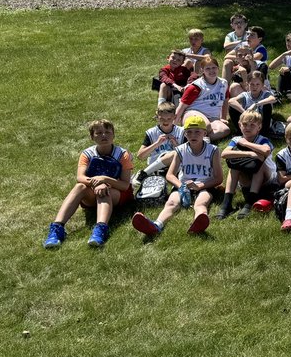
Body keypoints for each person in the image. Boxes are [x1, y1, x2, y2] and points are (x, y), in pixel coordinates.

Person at [43, 119, 133, 249]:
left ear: (113, 135)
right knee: (79, 186)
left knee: (104, 190)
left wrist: (105, 180)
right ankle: (57, 228)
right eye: (99, 133)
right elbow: (80, 177)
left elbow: (125, 185)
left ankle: (100, 229)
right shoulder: (87, 154)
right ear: (92, 137)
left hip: (119, 194)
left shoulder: (122, 154)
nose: (104, 136)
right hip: (93, 190)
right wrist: (97, 183)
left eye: (107, 132)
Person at [133, 114, 223, 237]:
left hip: (204, 184)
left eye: (197, 132)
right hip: (183, 184)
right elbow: (170, 175)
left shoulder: (213, 150)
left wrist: (200, 185)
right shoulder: (180, 150)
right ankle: (156, 225)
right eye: (189, 132)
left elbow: (218, 178)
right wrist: (181, 186)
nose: (193, 135)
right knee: (171, 203)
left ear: (204, 133)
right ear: (185, 134)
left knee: (201, 203)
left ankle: (199, 221)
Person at [216, 109, 275, 219]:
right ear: (239, 125)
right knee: (233, 167)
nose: (248, 128)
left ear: (259, 127)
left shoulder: (262, 140)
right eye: (245, 124)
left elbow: (266, 151)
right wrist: (249, 154)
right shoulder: (237, 139)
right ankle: (226, 204)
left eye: (252, 125)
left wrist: (246, 144)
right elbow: (224, 153)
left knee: (260, 165)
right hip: (246, 179)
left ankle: (249, 203)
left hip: (266, 180)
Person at [176, 54, 231, 141]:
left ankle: (197, 140)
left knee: (225, 130)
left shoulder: (224, 83)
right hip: (193, 113)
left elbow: (225, 100)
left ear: (218, 68)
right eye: (208, 68)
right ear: (202, 70)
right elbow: (181, 106)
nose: (211, 71)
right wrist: (174, 128)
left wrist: (223, 118)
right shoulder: (196, 86)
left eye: (214, 68)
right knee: (206, 125)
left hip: (213, 117)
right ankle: (192, 137)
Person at [137, 102, 185, 177]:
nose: (165, 121)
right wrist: (157, 143)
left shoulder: (181, 131)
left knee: (174, 154)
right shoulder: (152, 132)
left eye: (169, 118)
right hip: (156, 166)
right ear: (157, 117)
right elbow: (140, 156)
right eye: (162, 118)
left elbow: (187, 155)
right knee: (173, 154)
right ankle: (146, 173)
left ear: (175, 117)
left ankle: (144, 174)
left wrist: (176, 144)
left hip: (176, 166)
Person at [268, 32, 291, 100]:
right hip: (288, 80)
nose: (290, 48)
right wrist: (283, 55)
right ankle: (280, 93)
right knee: (283, 72)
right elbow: (271, 66)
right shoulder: (287, 56)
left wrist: (290, 68)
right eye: (288, 46)